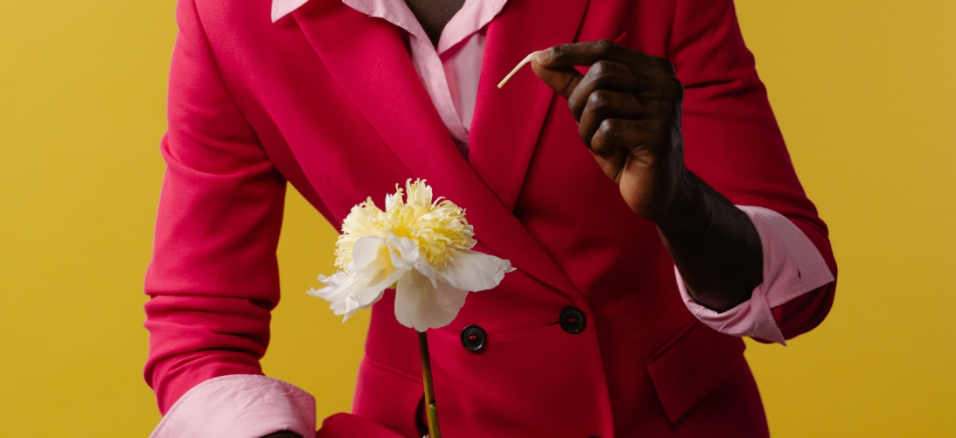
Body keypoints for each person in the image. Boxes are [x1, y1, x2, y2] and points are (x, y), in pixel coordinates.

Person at [143, 0, 837, 437]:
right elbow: (198, 327)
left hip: (665, 419)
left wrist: (680, 204)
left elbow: (798, 296)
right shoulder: (226, 18)